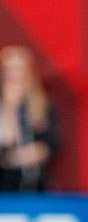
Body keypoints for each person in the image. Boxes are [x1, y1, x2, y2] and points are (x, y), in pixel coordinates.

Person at [0, 46, 58, 191]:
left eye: (19, 68)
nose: (14, 75)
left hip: (34, 188)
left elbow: (49, 147)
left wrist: (12, 157)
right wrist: (9, 107)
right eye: (9, 69)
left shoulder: (44, 106)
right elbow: (6, 140)